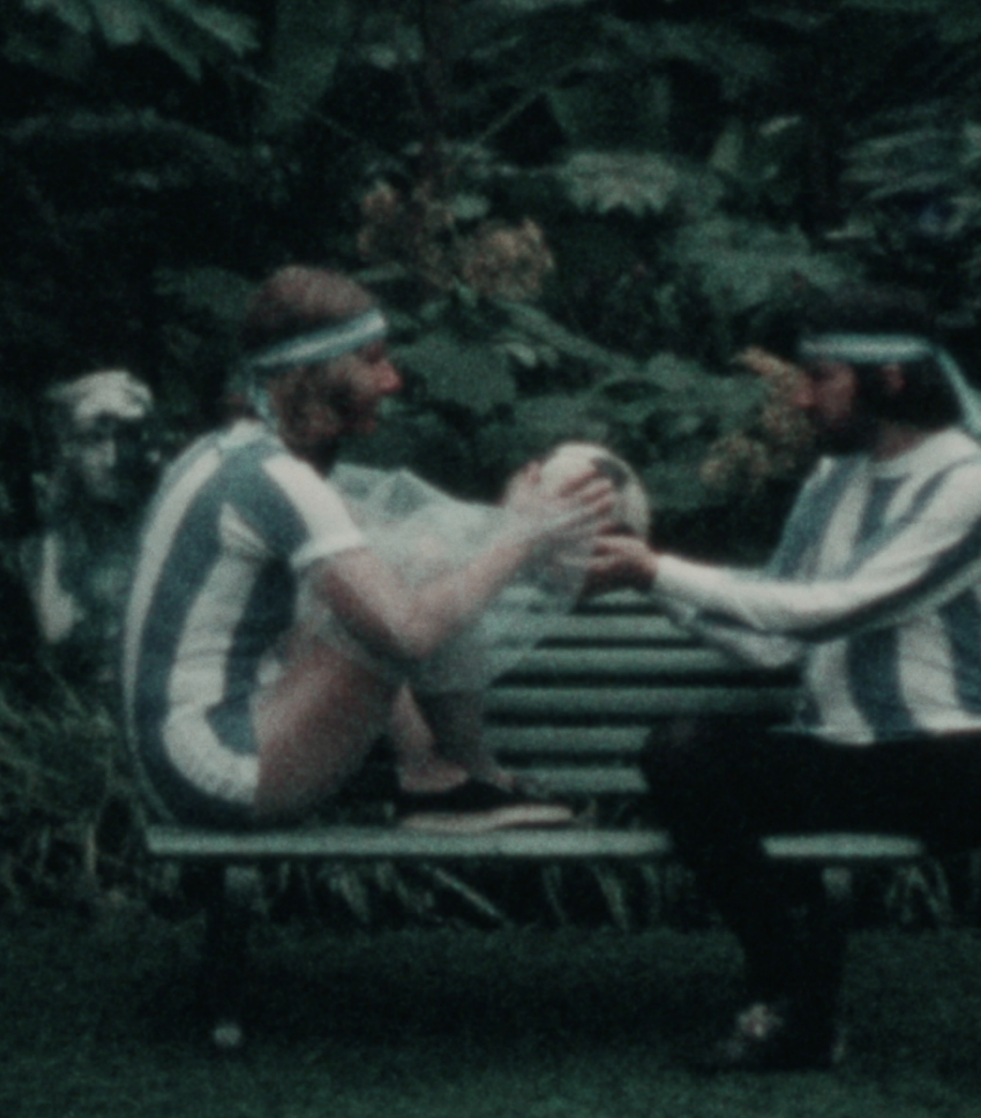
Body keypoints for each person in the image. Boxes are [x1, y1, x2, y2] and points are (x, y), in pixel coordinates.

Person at [586, 289, 981, 1086]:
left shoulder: (972, 483)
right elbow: (766, 644)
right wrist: (649, 585)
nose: (799, 395)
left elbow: (834, 611)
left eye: (819, 377)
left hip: (944, 760)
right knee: (680, 750)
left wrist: (659, 567)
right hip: (833, 755)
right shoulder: (831, 481)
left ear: (890, 378)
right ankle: (792, 1003)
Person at [119, 264, 612, 836]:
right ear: (319, 374)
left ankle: (434, 776)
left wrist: (505, 525)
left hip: (180, 767)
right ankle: (468, 780)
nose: (393, 380)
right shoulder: (277, 479)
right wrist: (522, 537)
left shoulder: (228, 452)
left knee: (405, 562)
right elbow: (410, 633)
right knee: (413, 585)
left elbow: (391, 548)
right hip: (218, 772)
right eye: (373, 359)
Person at [24, 370, 160, 687]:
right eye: (94, 440)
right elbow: (55, 632)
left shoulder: (176, 521)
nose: (112, 458)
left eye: (127, 437)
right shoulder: (49, 540)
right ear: (68, 449)